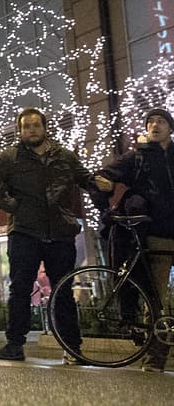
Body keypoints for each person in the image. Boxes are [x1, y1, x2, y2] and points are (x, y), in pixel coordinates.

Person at [0, 107, 113, 363]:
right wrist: (12, 206)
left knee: (63, 292)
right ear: (20, 131)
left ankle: (73, 348)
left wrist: (100, 183)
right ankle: (15, 345)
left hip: (61, 233)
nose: (31, 130)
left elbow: (85, 178)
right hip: (25, 233)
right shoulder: (10, 157)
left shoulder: (64, 156)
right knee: (20, 290)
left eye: (35, 125)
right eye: (26, 126)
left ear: (44, 127)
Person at [100, 107, 174, 373]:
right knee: (157, 300)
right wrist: (103, 184)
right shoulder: (138, 157)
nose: (155, 125)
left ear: (170, 127)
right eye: (151, 121)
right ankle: (155, 358)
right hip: (158, 235)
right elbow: (105, 174)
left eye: (161, 121)